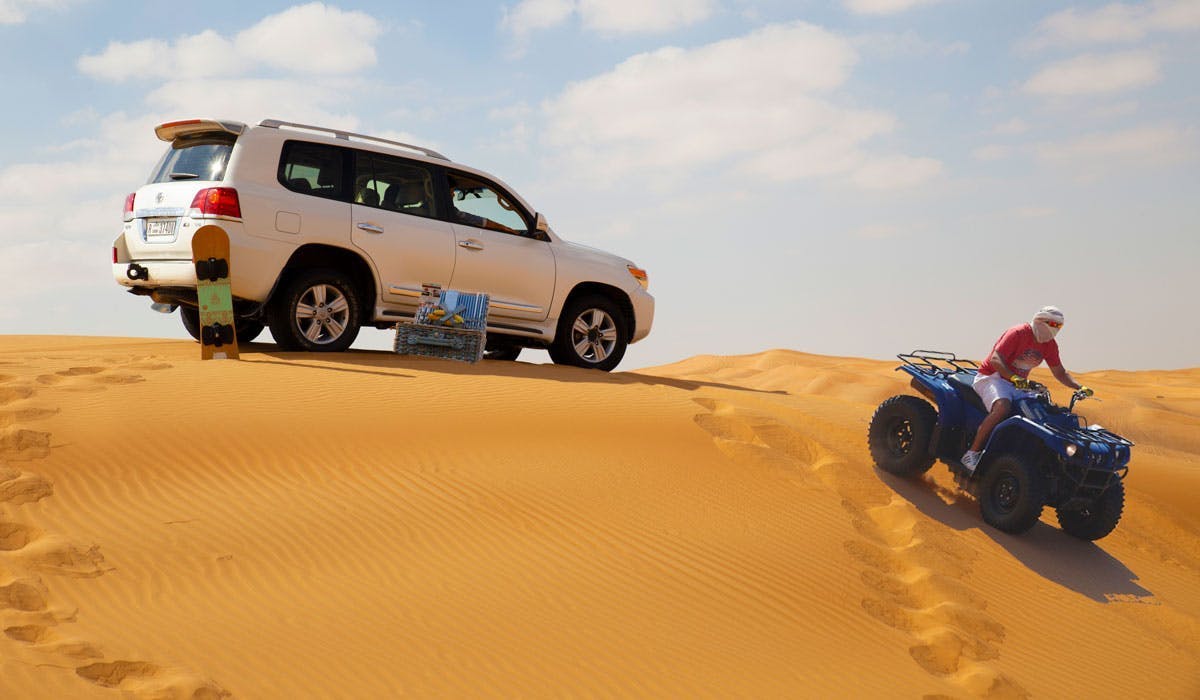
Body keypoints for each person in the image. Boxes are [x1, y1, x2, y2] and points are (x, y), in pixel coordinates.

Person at [961, 306, 1093, 472]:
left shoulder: (1050, 345)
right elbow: (996, 359)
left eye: (1058, 326)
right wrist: (1013, 377)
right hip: (992, 377)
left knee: (1040, 410)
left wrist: (1079, 386)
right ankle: (972, 453)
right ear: (1039, 320)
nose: (1054, 328)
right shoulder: (1017, 333)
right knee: (1003, 407)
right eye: (1051, 323)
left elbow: (1059, 372)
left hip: (1017, 384)